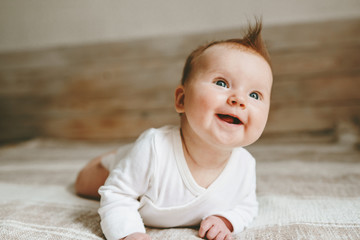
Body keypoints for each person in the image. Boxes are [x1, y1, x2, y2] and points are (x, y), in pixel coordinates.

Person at [75, 19, 273, 240]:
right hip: (132, 165)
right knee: (83, 183)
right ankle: (114, 158)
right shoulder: (153, 148)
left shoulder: (245, 165)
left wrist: (225, 220)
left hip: (142, 166)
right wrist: (129, 233)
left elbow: (247, 207)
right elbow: (116, 195)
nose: (238, 99)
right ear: (182, 99)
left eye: (254, 95)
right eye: (221, 83)